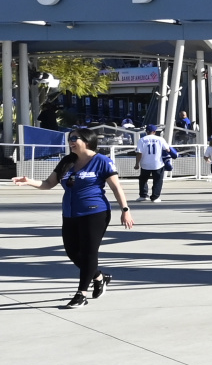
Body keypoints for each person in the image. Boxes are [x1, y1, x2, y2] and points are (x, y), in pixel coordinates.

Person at [12, 131, 132, 307]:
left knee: (89, 252)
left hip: (95, 212)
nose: (71, 142)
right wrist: (28, 181)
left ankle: (81, 294)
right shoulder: (67, 162)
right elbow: (48, 184)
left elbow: (116, 188)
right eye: (70, 139)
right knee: (72, 252)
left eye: (75, 138)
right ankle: (99, 276)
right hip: (69, 213)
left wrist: (125, 210)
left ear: (87, 141)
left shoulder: (102, 161)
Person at [134, 123, 171, 203]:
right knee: (158, 180)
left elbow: (139, 153)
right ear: (154, 131)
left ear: (146, 131)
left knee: (143, 179)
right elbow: (167, 149)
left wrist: (137, 163)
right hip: (158, 163)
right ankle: (155, 197)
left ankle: (143, 195)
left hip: (145, 163)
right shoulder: (160, 139)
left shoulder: (142, 140)